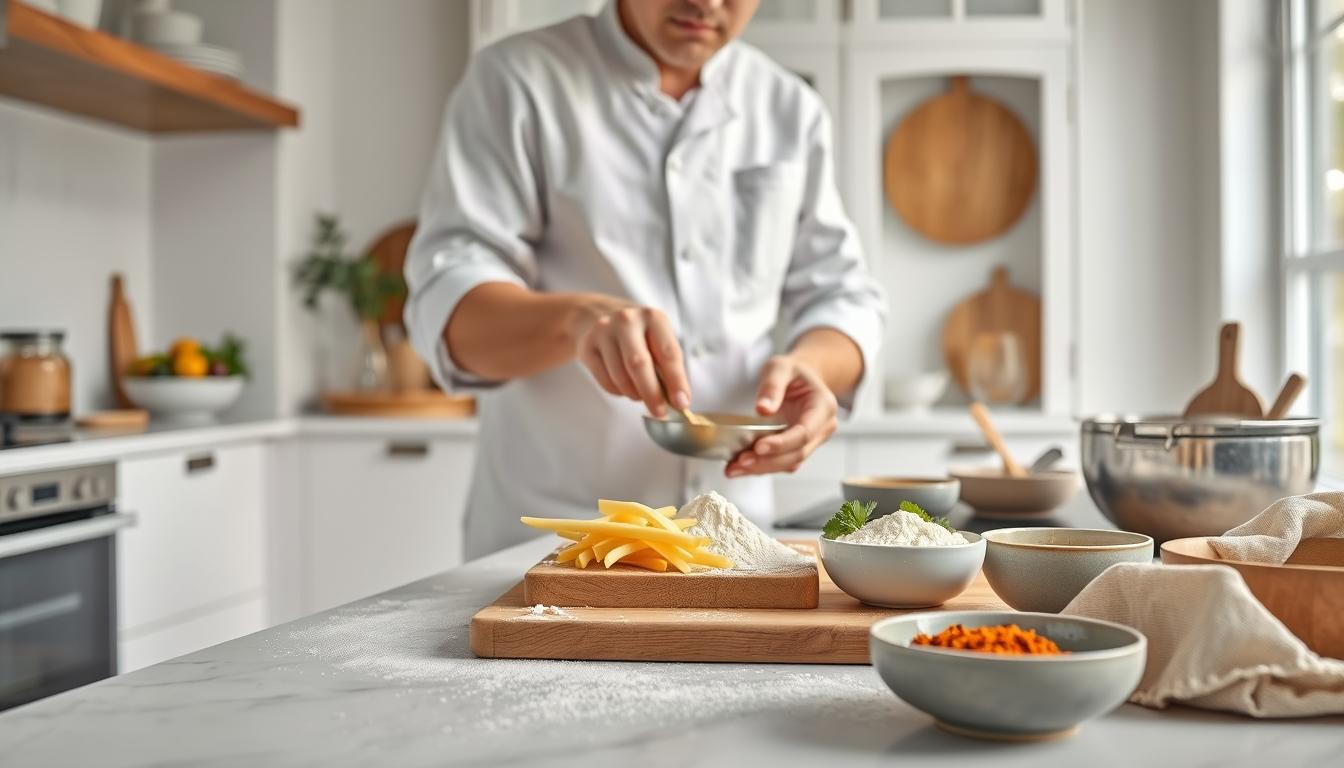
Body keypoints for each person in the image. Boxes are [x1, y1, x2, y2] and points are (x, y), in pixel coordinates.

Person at [405, 0, 887, 559]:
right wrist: (575, 323)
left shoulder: (789, 108)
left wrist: (814, 369)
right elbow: (451, 307)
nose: (706, 3)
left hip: (734, 537)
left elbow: (843, 294)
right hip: (549, 540)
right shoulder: (517, 80)